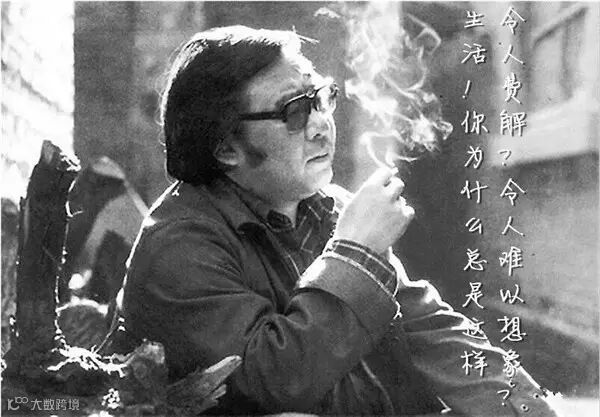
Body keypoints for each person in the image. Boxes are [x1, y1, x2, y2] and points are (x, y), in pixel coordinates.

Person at [104, 26, 558, 416]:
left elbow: (431, 331)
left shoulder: (327, 209)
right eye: (294, 111)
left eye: (321, 99)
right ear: (226, 149)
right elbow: (275, 380)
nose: (321, 125)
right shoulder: (179, 246)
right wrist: (355, 254)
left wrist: (532, 408)